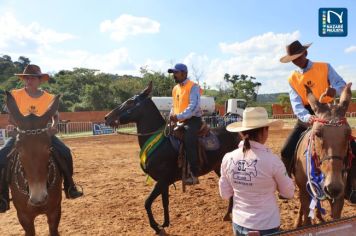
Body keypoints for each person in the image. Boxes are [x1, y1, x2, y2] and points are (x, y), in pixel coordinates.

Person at [280, 40, 356, 203]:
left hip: (331, 113)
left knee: (353, 147)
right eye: (293, 59)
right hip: (308, 115)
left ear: (305, 54)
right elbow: (296, 104)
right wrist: (308, 118)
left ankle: (351, 188)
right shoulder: (292, 78)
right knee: (286, 150)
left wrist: (334, 90)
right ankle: (288, 185)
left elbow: (341, 85)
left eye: (298, 57)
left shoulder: (324, 67)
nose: (296, 61)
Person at [0, 64, 83, 213]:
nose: (29, 80)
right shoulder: (15, 94)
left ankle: (70, 186)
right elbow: (11, 117)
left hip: (43, 134)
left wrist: (53, 125)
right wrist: (12, 125)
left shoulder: (49, 98)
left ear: (40, 80)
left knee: (65, 151)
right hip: (22, 133)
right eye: (27, 78)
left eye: (32, 78)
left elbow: (56, 116)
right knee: (1, 155)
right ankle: (3, 196)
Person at [219, 107, 294, 236]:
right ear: (265, 130)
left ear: (242, 132)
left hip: (239, 222)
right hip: (266, 224)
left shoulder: (228, 158)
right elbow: (288, 193)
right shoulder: (273, 161)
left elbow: (225, 194)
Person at [168, 63, 202, 185]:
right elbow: (174, 106)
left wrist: (178, 117)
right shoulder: (175, 88)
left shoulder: (193, 86)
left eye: (176, 73)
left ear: (184, 73)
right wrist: (171, 116)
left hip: (192, 120)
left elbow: (193, 107)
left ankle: (194, 173)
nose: (174, 75)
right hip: (178, 120)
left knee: (189, 139)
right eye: (173, 73)